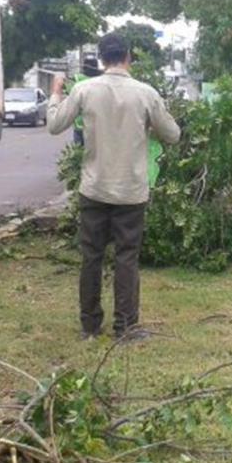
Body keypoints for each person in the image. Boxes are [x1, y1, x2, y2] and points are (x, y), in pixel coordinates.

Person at [47, 34, 181, 341]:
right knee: (126, 257)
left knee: (91, 256)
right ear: (128, 57)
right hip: (131, 190)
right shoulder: (146, 94)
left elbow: (54, 125)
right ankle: (125, 327)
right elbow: (172, 135)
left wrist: (56, 92)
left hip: (94, 187)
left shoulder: (83, 89)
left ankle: (90, 326)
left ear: (101, 58)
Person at [69, 58, 103, 147]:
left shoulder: (77, 79)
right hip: (97, 125)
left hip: (80, 124)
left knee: (79, 153)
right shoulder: (102, 80)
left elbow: (69, 94)